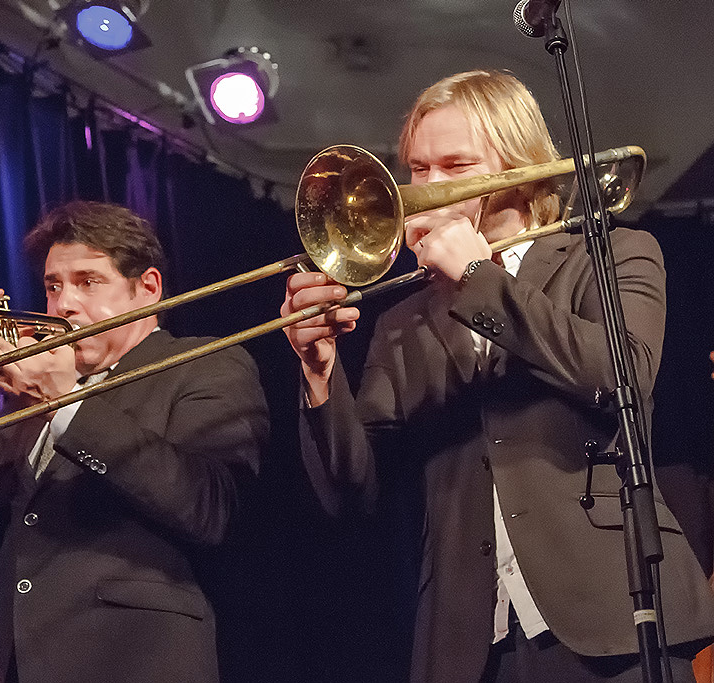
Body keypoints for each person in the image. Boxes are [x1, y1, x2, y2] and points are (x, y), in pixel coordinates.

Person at [281, 70, 714, 682]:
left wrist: (480, 280)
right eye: (418, 169)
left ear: (522, 169)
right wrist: (320, 375)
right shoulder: (403, 321)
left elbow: (620, 377)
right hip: (468, 643)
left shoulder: (610, 255)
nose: (427, 190)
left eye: (455, 165)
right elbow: (352, 494)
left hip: (611, 614)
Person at [0, 200, 269, 683]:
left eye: (88, 282)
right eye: (54, 286)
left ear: (147, 288)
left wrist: (66, 401)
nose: (64, 304)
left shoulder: (205, 364)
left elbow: (210, 506)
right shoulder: (30, 399)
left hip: (136, 664)